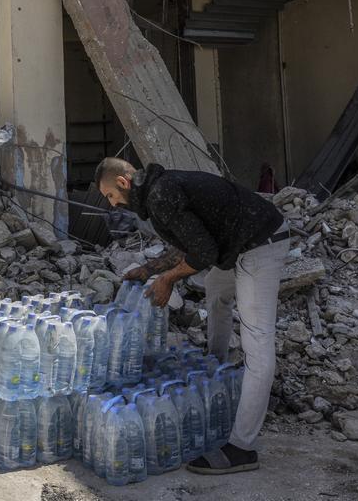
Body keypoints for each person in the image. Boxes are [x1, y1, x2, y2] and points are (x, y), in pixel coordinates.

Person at [94, 157, 290, 475]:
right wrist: (148, 269)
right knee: (216, 289)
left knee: (258, 342)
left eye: (110, 196)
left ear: (122, 182)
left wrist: (168, 279)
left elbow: (204, 253)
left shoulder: (160, 194)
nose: (113, 204)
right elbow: (189, 244)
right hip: (237, 244)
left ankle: (242, 447)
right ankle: (216, 366)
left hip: (260, 242)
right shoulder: (159, 190)